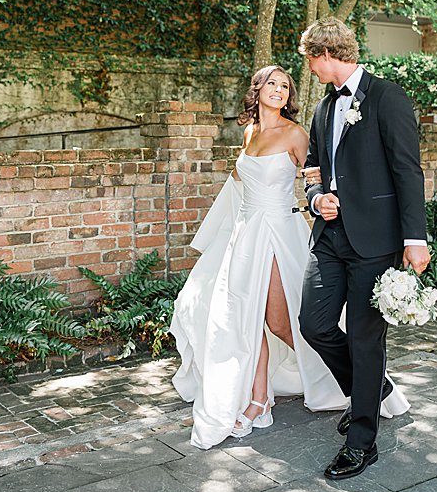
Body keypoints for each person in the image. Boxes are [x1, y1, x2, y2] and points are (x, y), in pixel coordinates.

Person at [171, 66, 409, 450]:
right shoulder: (248, 133)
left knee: (282, 323)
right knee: (246, 320)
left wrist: (324, 201)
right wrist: (218, 241)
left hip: (279, 235)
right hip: (245, 238)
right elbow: (236, 189)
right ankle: (258, 402)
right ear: (258, 90)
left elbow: (320, 173)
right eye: (273, 84)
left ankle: (363, 384)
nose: (279, 90)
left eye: (285, 85)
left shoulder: (296, 134)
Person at [298, 18, 430, 480]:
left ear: (326, 54)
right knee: (312, 324)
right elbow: (312, 168)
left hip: (375, 239)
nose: (311, 70)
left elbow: (408, 172)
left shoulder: (387, 98)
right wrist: (316, 199)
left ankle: (361, 441)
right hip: (329, 239)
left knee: (364, 336)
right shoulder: (321, 109)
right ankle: (369, 391)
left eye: (311, 60)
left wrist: (415, 239)